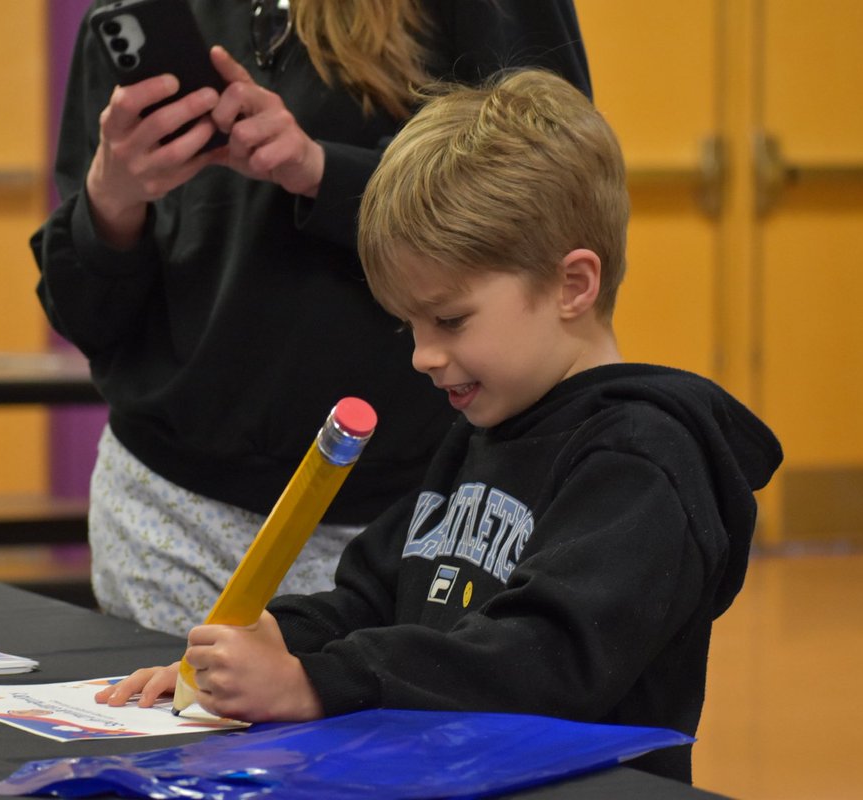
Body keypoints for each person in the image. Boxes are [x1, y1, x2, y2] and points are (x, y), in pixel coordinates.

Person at [96, 69, 784, 784]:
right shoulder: (482, 429)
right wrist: (251, 652)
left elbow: (541, 658)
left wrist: (315, 685)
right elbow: (370, 597)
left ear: (573, 285)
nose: (425, 356)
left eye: (450, 320)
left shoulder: (644, 460)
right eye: (412, 326)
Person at [32, 0, 594, 636]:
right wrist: (110, 201)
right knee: (180, 732)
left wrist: (318, 170)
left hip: (407, 521)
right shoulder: (127, 18)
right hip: (164, 508)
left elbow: (557, 186)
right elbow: (85, 315)